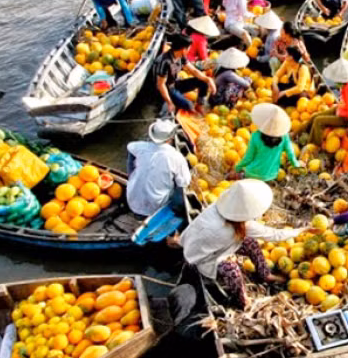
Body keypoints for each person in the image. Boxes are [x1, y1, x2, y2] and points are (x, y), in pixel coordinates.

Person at [177, 179, 308, 309]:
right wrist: (302, 230)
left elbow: (195, 227)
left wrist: (180, 241)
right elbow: (274, 235)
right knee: (232, 270)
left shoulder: (216, 208)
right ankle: (242, 301)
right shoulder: (244, 226)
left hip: (203, 246)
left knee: (250, 242)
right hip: (204, 259)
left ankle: (265, 274)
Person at [126, 120, 191, 217]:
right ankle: (173, 212)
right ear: (171, 138)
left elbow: (130, 148)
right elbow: (184, 183)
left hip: (132, 201)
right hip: (157, 206)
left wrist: (131, 173)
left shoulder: (140, 147)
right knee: (179, 186)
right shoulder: (176, 157)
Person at [232, 103, 300, 181]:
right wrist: (297, 167)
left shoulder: (255, 136)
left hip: (252, 174)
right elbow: (291, 155)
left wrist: (237, 168)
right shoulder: (284, 137)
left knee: (237, 176)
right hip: (271, 175)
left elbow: (248, 158)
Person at [155, 33, 217, 114]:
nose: (189, 50)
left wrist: (208, 80)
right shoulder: (165, 62)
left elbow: (193, 71)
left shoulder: (181, 56)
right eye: (189, 48)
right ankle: (191, 110)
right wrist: (169, 102)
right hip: (168, 89)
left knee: (203, 82)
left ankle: (199, 105)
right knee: (188, 105)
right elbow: (161, 85)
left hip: (176, 83)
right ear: (184, 49)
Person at [310, 58, 348, 144]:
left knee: (318, 121)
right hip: (341, 108)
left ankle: (315, 146)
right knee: (314, 116)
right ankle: (305, 138)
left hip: (345, 118)